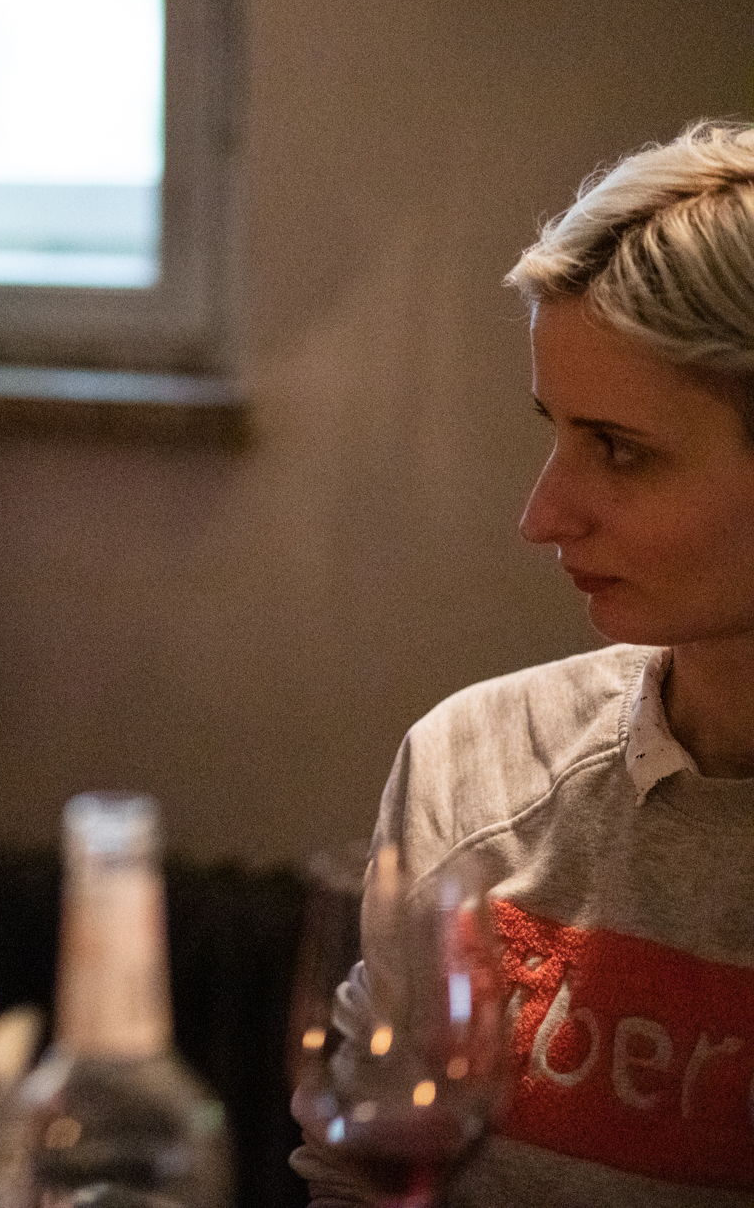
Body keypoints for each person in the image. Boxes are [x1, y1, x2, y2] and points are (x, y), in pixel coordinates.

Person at [294, 123, 754, 1203]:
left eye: (619, 450)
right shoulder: (474, 766)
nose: (541, 515)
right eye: (557, 430)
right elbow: (353, 1175)